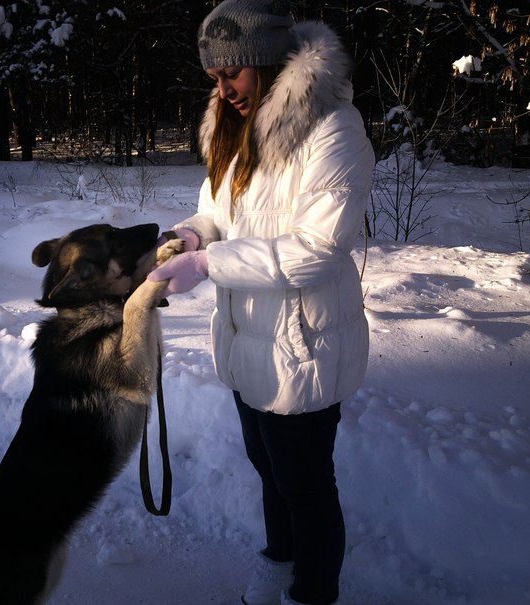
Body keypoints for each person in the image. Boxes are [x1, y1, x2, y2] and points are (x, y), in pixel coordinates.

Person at [147, 1, 374, 604]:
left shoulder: (334, 129)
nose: (221, 90)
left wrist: (208, 264)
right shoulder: (230, 124)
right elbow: (217, 212)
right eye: (213, 78)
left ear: (268, 61)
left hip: (304, 343)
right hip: (248, 339)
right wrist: (192, 237)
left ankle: (312, 592)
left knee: (305, 486)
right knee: (269, 469)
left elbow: (315, 251)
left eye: (231, 75)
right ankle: (278, 564)